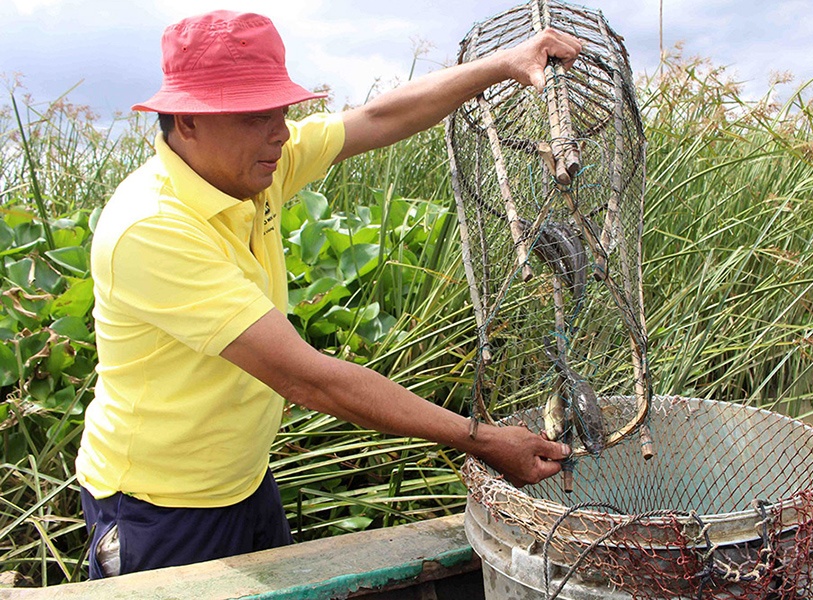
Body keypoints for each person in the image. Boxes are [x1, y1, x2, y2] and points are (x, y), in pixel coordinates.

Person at [75, 9, 581, 578]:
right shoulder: (151, 227)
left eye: (283, 112)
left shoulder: (251, 168)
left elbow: (379, 116)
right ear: (187, 121)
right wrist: (480, 439)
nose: (280, 133)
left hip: (243, 480)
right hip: (160, 507)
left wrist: (501, 66)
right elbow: (306, 377)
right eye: (253, 117)